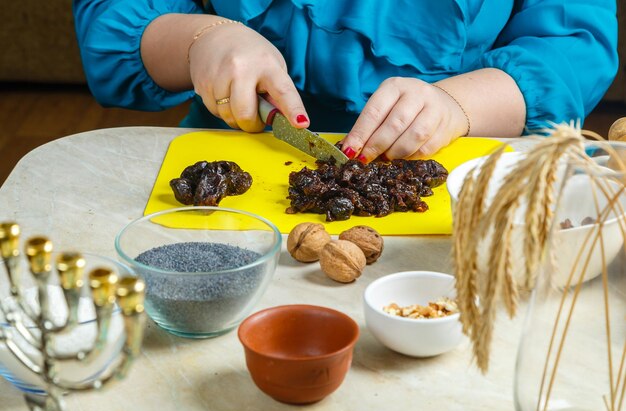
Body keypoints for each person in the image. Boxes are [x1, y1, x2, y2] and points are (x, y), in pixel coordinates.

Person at [73, 0, 618, 162]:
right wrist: (203, 40)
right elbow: (111, 19)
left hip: (475, 161)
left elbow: (575, 44)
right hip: (240, 146)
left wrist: (458, 103)